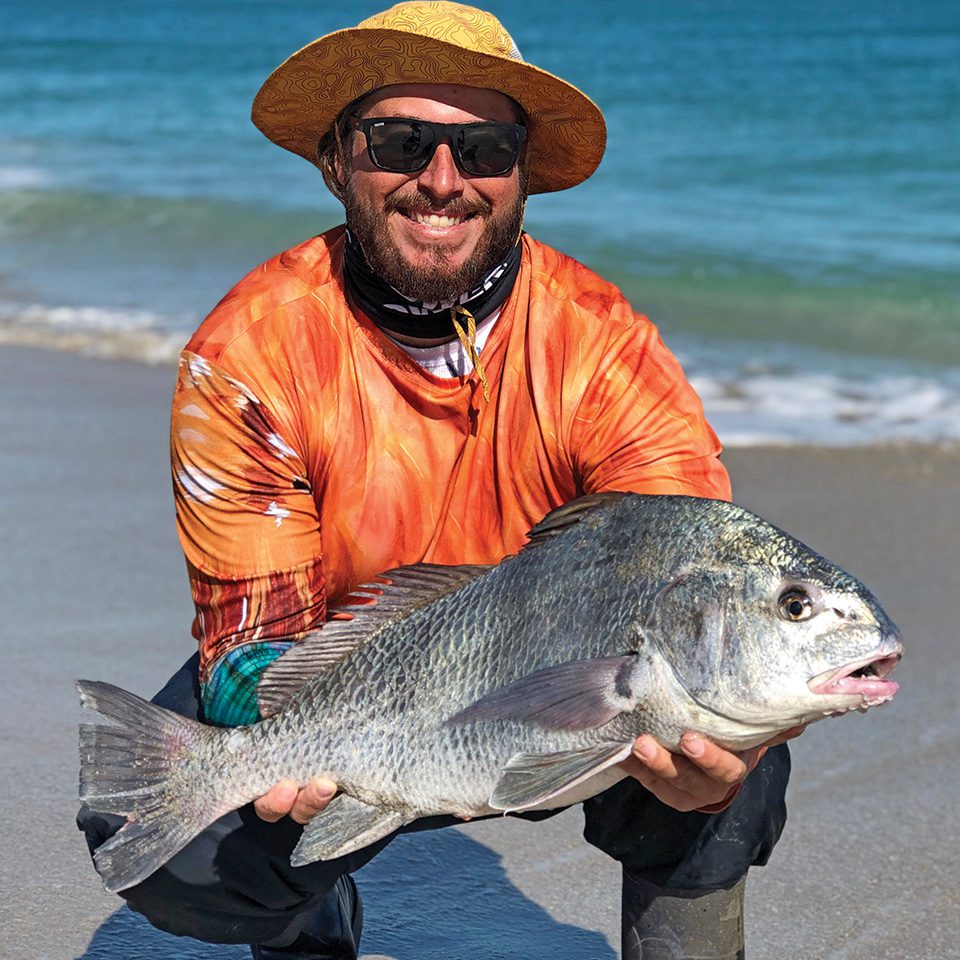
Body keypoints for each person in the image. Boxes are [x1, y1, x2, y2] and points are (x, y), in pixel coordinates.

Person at [80, 3, 800, 957]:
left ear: (523, 173)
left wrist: (727, 751)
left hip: (572, 699)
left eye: (486, 147)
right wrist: (300, 754)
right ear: (339, 160)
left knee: (736, 728)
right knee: (184, 845)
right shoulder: (250, 352)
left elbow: (695, 562)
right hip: (357, 686)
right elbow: (251, 641)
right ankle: (306, 919)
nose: (442, 181)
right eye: (401, 141)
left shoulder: (602, 343)